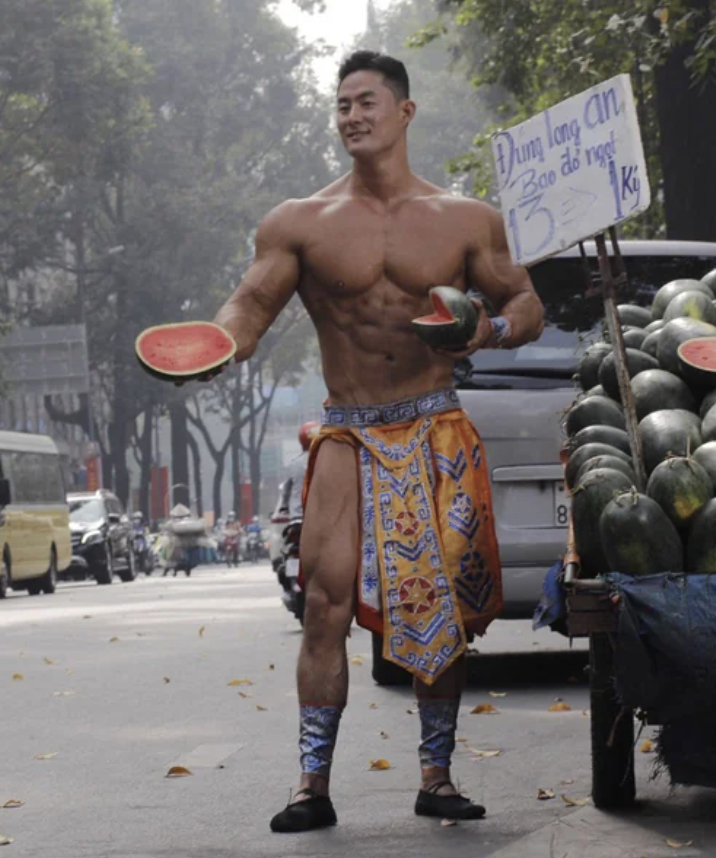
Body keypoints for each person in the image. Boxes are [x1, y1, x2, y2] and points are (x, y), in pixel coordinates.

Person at [204, 51, 543, 832]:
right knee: (323, 604)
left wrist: (489, 328)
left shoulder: (465, 218)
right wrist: (212, 346)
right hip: (349, 433)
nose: (351, 115)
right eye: (341, 105)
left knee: (445, 613)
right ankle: (311, 786)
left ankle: (438, 776)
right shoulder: (299, 222)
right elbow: (247, 307)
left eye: (365, 102)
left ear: (404, 112)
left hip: (433, 424)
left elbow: (524, 300)